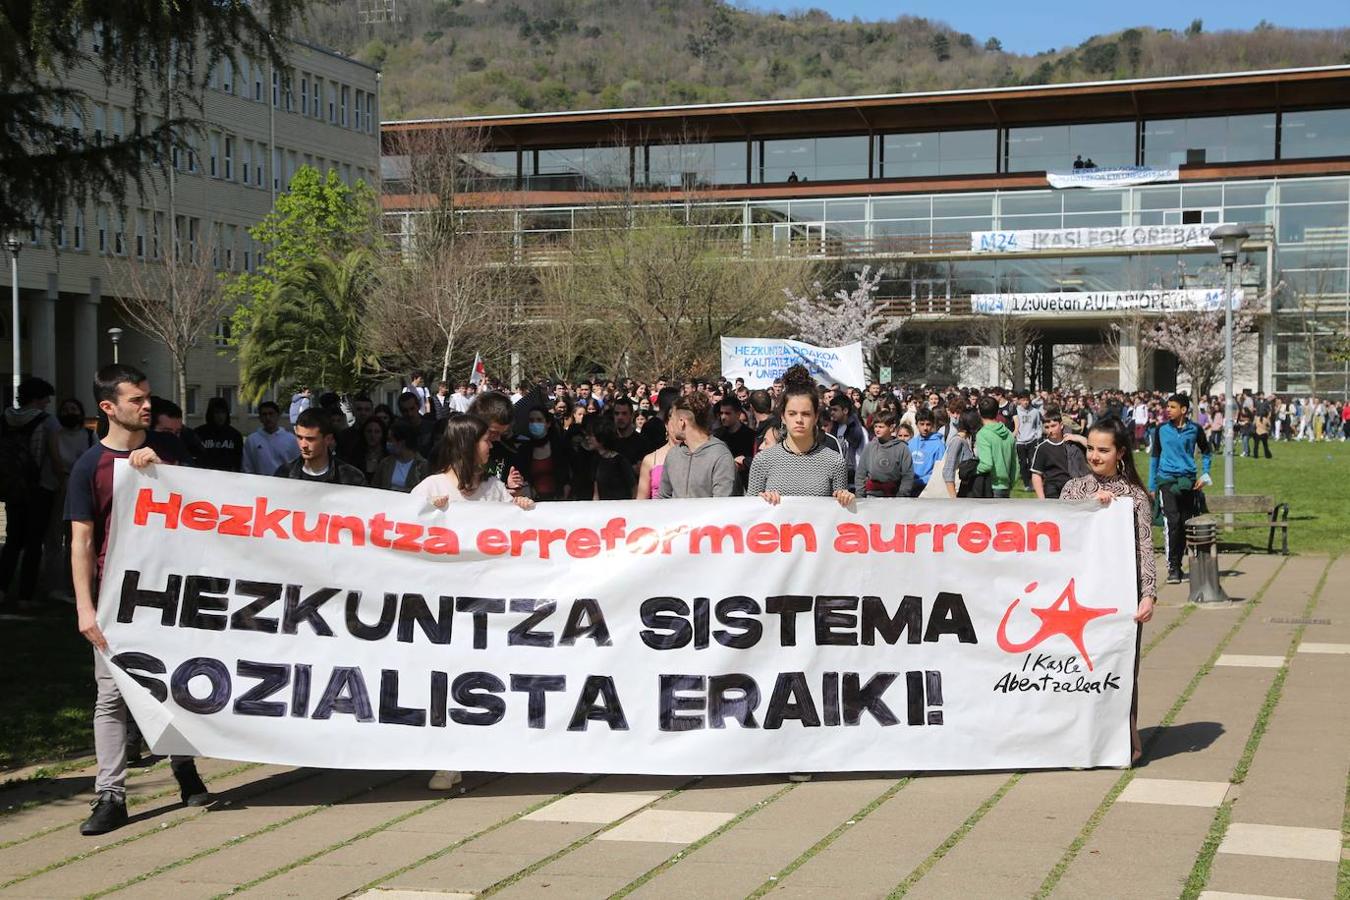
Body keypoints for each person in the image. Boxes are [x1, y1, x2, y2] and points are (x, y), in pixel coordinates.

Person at [65, 364, 209, 835]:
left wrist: (163, 472)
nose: (147, 405)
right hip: (115, 599)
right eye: (136, 399)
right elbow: (82, 541)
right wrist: (85, 607)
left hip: (170, 593)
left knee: (172, 686)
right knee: (111, 697)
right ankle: (111, 795)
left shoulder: (168, 449)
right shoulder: (90, 466)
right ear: (108, 407)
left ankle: (183, 766)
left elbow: (204, 507)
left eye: (147, 397)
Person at [412, 413, 534, 792]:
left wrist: (522, 507)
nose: (491, 447)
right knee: (446, 678)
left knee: (482, 678)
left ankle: (480, 749)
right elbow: (403, 535)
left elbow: (518, 535)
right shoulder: (431, 487)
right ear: (466, 445)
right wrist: (427, 513)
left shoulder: (494, 489)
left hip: (486, 607)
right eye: (485, 441)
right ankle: (448, 760)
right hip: (442, 608)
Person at [1060, 416, 1156, 764]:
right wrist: (1087, 507)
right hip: (1079, 596)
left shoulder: (1135, 497)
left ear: (1121, 453)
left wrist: (1149, 594)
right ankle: (1077, 743)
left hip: (1121, 599)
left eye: (1103, 450)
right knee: (1078, 669)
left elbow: (1145, 547)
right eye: (1090, 448)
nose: (1094, 456)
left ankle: (1122, 745)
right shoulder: (1073, 490)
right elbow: (1059, 534)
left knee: (1119, 670)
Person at [749, 365, 853, 510]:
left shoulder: (835, 462)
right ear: (783, 417)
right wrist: (761, 502)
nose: (799, 420)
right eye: (792, 414)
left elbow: (839, 515)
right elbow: (749, 514)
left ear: (816, 417)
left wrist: (846, 499)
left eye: (806, 414)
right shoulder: (762, 461)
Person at [0, 377, 58, 611]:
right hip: (39, 488)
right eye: (45, 398)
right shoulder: (46, 421)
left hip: (12, 487)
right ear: (37, 398)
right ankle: (25, 595)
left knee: (12, 541)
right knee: (34, 544)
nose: (47, 403)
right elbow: (52, 455)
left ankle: (2, 589)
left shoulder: (4, 418)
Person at [1149, 393, 1212, 585]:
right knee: (1173, 522)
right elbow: (1154, 457)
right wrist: (1152, 485)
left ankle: (1179, 563)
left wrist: (1205, 475)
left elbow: (1207, 451)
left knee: (1185, 523)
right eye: (1167, 406)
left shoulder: (1195, 430)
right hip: (1166, 480)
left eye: (1172, 407)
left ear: (1183, 410)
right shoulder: (1161, 430)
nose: (1168, 410)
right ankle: (1173, 567)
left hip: (1187, 481)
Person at [659, 392, 738, 499]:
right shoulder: (673, 454)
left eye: (672, 419)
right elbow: (663, 497)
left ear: (682, 422)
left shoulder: (720, 456)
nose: (671, 424)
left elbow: (722, 502)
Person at [275, 408, 366, 485]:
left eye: (310, 439)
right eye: (299, 437)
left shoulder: (351, 477)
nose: (303, 445)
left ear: (328, 439)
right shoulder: (284, 474)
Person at [511, 407, 571, 501]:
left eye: (539, 420)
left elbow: (567, 475)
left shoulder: (560, 447)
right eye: (531, 420)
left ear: (548, 423)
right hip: (533, 501)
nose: (535, 423)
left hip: (559, 500)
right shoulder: (524, 450)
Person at [1030, 405, 1089, 500]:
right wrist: (1042, 499)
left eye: (1053, 426)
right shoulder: (1042, 448)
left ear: (1061, 425)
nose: (1050, 430)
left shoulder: (1072, 444)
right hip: (1052, 489)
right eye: (1047, 427)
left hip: (1073, 487)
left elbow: (1093, 448)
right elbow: (1036, 474)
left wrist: (1078, 438)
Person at [857, 410, 914, 498]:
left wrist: (902, 496)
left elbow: (907, 475)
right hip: (871, 495)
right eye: (875, 426)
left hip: (894, 496)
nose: (877, 430)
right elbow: (861, 473)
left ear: (891, 428)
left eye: (881, 427)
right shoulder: (870, 447)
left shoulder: (902, 448)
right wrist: (860, 495)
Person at [974, 395, 1018, 498]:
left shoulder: (983, 434)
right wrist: (1011, 483)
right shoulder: (1008, 433)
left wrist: (973, 471)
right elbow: (1015, 465)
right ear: (998, 411)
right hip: (1006, 486)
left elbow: (986, 464)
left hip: (989, 486)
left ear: (979, 412)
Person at [241, 401, 299, 475]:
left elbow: (296, 466)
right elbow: (247, 467)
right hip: (259, 481)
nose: (268, 418)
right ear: (260, 418)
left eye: (271, 414)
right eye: (264, 414)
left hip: (284, 481)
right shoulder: (252, 440)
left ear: (278, 416)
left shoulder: (291, 439)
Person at [589, 415, 638, 500]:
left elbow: (634, 488)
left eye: (592, 435)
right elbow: (596, 491)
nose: (588, 438)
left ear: (601, 438)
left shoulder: (620, 461)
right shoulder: (596, 459)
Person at [826, 392, 868, 491]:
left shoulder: (859, 431)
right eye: (831, 410)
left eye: (835, 410)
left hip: (855, 480)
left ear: (845, 410)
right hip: (837, 479)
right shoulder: (834, 429)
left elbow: (865, 454)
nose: (832, 413)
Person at [373, 420, 429, 492]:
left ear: (402, 442)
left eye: (390, 440)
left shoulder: (423, 466)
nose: (388, 443)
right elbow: (375, 486)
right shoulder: (385, 463)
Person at [714, 396, 755, 491]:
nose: (723, 417)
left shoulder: (750, 436)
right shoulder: (717, 436)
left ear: (738, 414)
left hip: (744, 484)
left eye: (727, 413)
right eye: (721, 413)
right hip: (722, 482)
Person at [942, 409, 984, 498]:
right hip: (958, 492)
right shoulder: (957, 441)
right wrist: (954, 498)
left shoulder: (968, 440)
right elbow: (948, 470)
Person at [193, 397, 243, 472]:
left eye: (223, 412)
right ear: (211, 414)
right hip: (204, 476)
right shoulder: (198, 433)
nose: (220, 416)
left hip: (227, 476)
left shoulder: (235, 435)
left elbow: (238, 462)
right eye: (217, 412)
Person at [907, 407, 945, 497]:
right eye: (922, 424)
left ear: (932, 425)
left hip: (927, 488)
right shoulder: (911, 443)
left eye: (928, 424)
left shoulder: (939, 445)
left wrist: (920, 481)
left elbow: (939, 471)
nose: (925, 428)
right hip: (910, 486)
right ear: (916, 424)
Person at [1013, 393, 1043, 491]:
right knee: (1022, 464)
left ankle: (1032, 482)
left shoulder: (1035, 412)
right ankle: (1026, 484)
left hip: (1032, 440)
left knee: (1032, 462)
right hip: (1020, 441)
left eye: (1027, 400)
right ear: (1019, 401)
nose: (1025, 402)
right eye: (1023, 400)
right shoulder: (1016, 411)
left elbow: (1038, 425)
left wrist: (1038, 436)